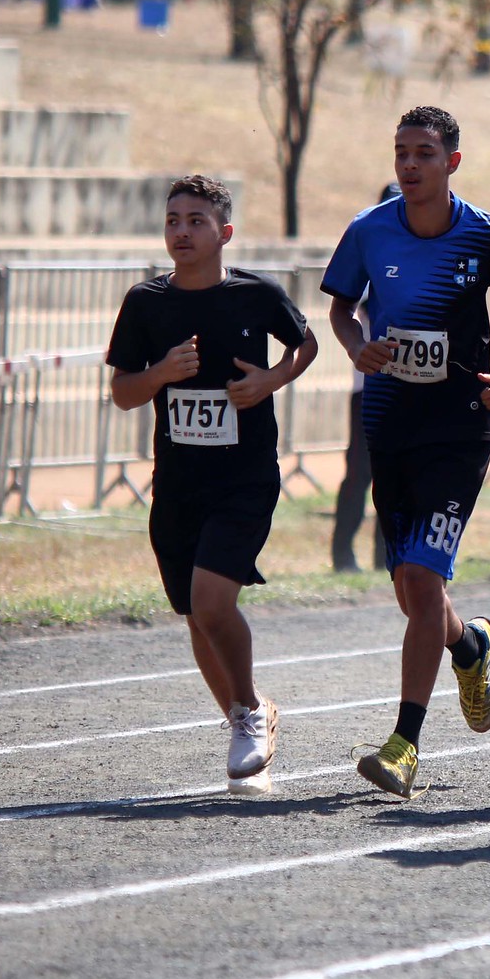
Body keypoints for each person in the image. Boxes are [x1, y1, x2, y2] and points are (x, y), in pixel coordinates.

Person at [321, 106, 490, 798]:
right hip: (391, 423)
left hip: (460, 425)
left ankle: (404, 743)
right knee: (413, 589)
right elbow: (339, 309)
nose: (409, 165)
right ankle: (470, 647)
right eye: (401, 152)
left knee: (421, 571)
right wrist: (358, 346)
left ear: (451, 163)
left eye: (424, 153)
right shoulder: (367, 229)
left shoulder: (486, 233)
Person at [106, 175, 319, 794]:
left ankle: (250, 709)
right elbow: (122, 392)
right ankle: (245, 717)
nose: (182, 231)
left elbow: (305, 343)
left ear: (224, 233)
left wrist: (271, 380)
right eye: (173, 219)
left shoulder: (256, 296)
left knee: (212, 602)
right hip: (177, 483)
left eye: (196, 221)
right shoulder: (146, 303)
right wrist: (162, 373)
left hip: (245, 478)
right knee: (196, 617)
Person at [331, 180, 403, 573]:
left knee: (396, 478)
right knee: (359, 472)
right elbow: (350, 307)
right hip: (370, 388)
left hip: (412, 388)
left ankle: (385, 559)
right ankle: (342, 555)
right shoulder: (371, 254)